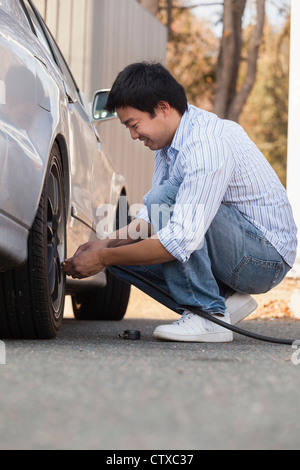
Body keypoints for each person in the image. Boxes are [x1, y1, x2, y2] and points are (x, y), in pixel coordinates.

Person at [64, 62, 298, 343]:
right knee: (120, 261)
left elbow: (180, 237)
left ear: (163, 108)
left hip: (264, 258)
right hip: (237, 249)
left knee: (162, 208)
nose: (133, 135)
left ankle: (207, 313)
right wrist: (107, 244)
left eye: (134, 125)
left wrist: (103, 256)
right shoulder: (168, 145)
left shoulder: (207, 143)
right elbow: (154, 217)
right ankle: (222, 301)